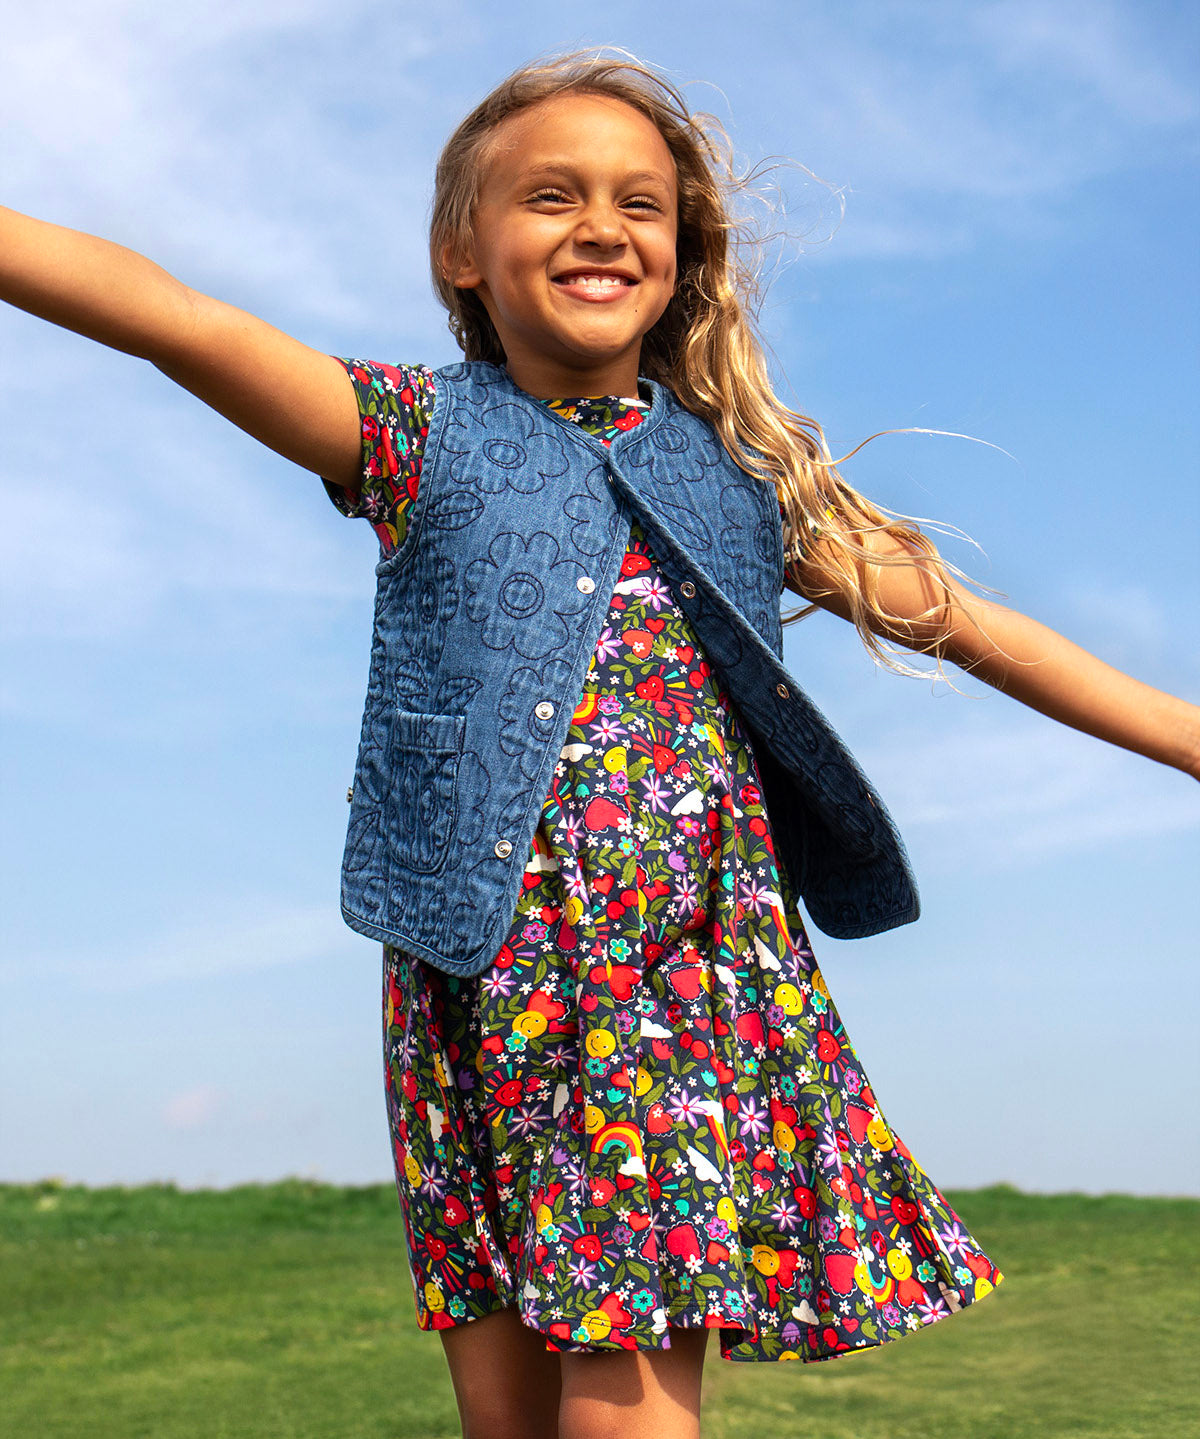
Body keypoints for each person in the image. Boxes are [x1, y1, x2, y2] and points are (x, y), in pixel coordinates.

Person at [3, 47, 1197, 1439]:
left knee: (621, 1404)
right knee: (509, 1415)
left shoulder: (748, 481)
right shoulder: (413, 435)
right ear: (463, 250)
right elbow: (174, 318)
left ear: (684, 253)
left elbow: (976, 629)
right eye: (550, 196)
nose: (600, 226)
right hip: (473, 969)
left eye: (641, 203)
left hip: (673, 974)